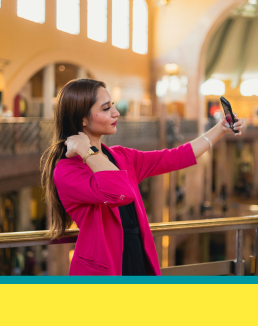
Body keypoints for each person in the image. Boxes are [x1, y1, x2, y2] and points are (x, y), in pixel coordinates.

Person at [40, 78, 244, 276]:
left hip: (137, 258)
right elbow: (119, 192)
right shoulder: (67, 170)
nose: (116, 112)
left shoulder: (122, 156)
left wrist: (220, 128)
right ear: (82, 119)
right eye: (106, 108)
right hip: (105, 269)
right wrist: (88, 152)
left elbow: (176, 157)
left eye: (113, 105)